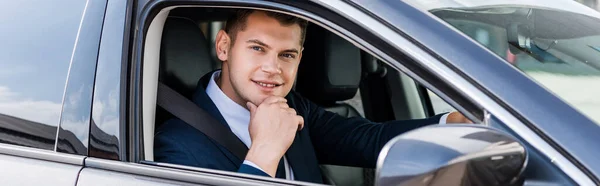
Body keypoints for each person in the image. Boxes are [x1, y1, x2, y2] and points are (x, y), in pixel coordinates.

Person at [154, 9, 471, 183]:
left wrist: (454, 123)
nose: (273, 69)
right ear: (224, 47)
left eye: (287, 55)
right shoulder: (176, 144)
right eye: (257, 48)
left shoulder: (293, 107)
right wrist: (265, 152)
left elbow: (371, 141)